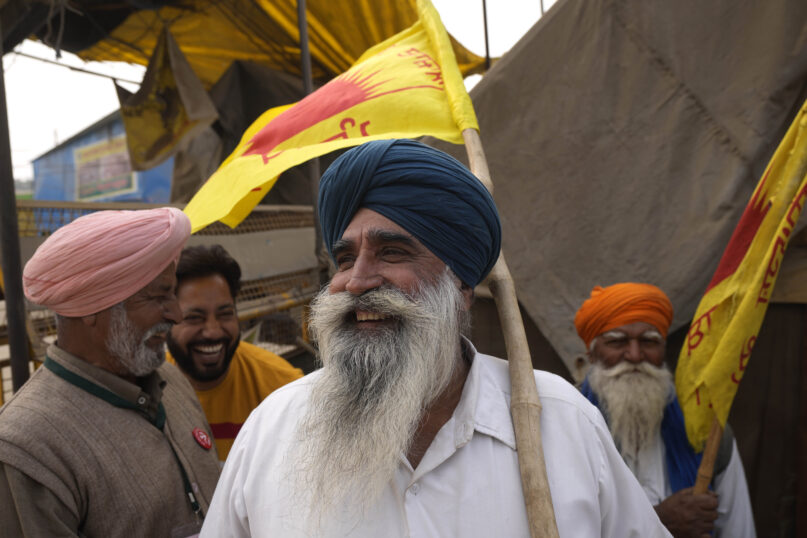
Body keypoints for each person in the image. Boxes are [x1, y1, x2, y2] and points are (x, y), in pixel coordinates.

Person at [201, 139, 671, 537]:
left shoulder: (562, 423)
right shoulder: (272, 430)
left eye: (392, 252)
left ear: (462, 287)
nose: (357, 280)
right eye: (344, 259)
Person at [0, 208, 221, 537]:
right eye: (159, 296)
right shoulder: (27, 446)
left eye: (172, 294)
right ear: (92, 308)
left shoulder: (171, 381)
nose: (176, 313)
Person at [575, 282, 755, 538]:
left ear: (663, 350)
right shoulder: (565, 430)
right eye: (617, 342)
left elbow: (739, 530)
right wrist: (659, 521)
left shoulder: (706, 436)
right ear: (591, 354)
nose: (635, 355)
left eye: (649, 341)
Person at [166, 244, 303, 460]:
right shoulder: (147, 388)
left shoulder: (284, 389)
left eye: (225, 314)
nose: (212, 331)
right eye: (194, 318)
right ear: (167, 320)